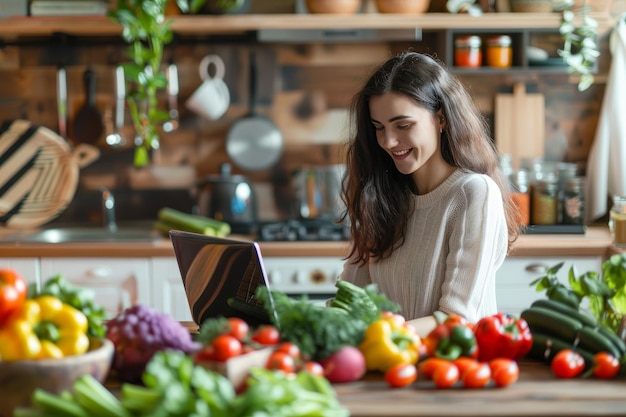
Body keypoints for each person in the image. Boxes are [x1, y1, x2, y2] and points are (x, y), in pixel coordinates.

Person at [338, 51, 521, 337]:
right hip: (390, 366)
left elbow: (456, 319)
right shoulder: (379, 197)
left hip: (451, 370)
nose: (388, 141)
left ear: (442, 119)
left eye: (403, 125)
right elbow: (349, 303)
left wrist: (378, 337)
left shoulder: (473, 194)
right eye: (379, 128)